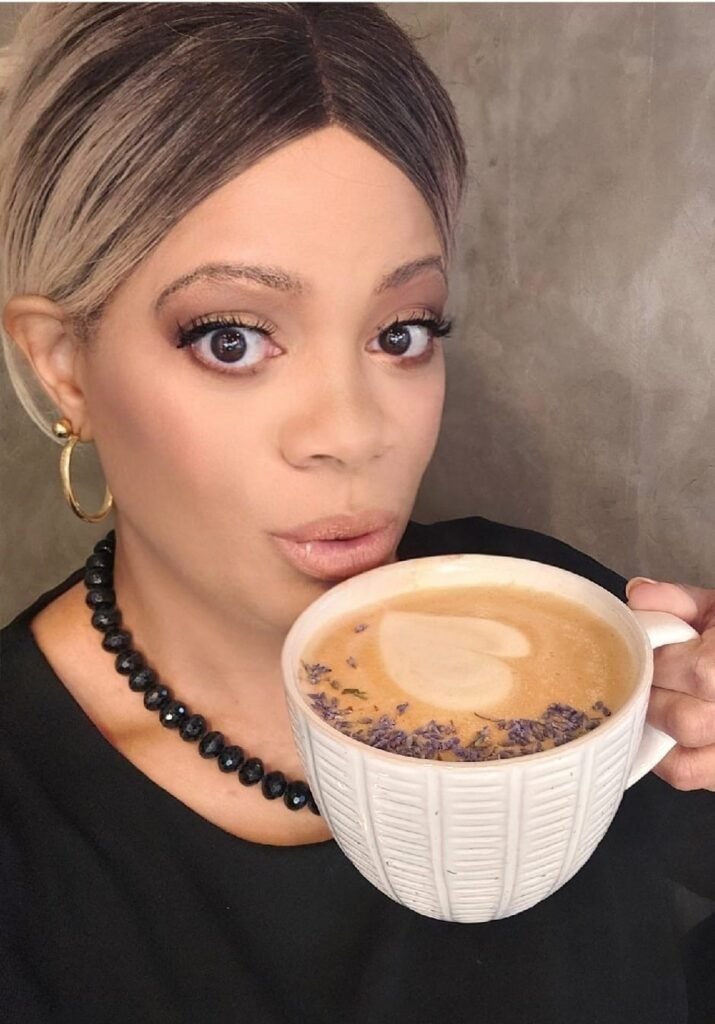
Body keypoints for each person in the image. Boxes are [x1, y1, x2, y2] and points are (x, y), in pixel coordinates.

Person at [0, 4, 712, 1022]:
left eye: (401, 330)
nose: (354, 432)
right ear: (67, 366)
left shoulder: (575, 628)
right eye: (233, 338)